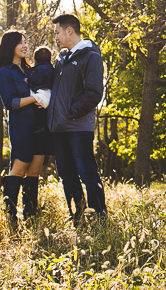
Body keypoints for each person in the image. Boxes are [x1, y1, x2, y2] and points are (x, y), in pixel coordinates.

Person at [48, 14, 107, 223]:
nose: (55, 37)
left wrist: (70, 112)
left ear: (69, 30)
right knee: (66, 175)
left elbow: (93, 93)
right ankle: (78, 217)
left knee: (87, 173)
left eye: (57, 32)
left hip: (78, 127)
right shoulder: (62, 58)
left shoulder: (89, 55)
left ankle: (99, 218)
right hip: (59, 128)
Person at [0, 30, 49, 225]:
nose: (25, 46)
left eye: (26, 42)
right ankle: (11, 218)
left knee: (34, 171)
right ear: (11, 46)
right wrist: (35, 98)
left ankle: (31, 218)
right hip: (22, 127)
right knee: (18, 169)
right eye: (20, 43)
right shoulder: (4, 73)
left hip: (41, 127)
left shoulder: (32, 70)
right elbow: (11, 103)